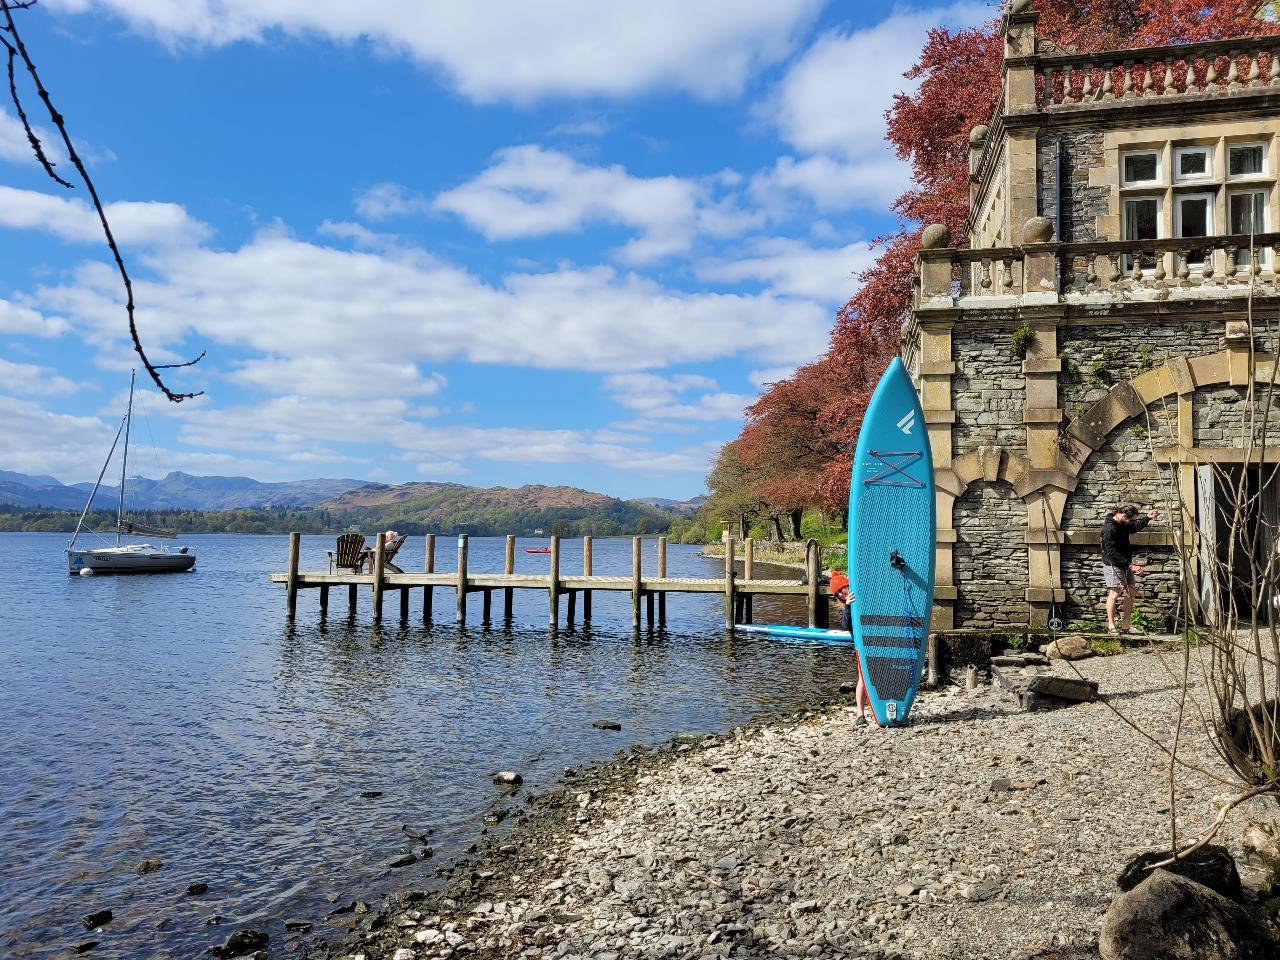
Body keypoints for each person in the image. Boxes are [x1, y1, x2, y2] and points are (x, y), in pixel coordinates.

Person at [1101, 503, 1159, 635]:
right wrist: (1131, 566)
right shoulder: (1109, 529)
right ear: (1123, 515)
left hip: (1125, 563)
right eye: (1131, 519)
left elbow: (1134, 527)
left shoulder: (1123, 523)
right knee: (1114, 593)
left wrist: (1147, 518)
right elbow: (1112, 553)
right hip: (1112, 564)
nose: (1131, 522)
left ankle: (1126, 626)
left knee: (1131, 592)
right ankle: (1111, 626)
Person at [831, 571, 876, 726]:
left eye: (841, 589)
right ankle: (860, 715)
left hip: (875, 641)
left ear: (847, 586)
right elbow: (846, 625)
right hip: (861, 646)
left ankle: (881, 707)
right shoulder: (844, 610)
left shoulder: (861, 595)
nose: (840, 594)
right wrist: (848, 605)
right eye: (837, 594)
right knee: (862, 678)